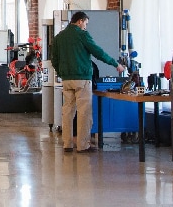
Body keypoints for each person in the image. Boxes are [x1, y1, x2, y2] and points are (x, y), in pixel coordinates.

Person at [51, 11, 125, 153]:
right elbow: (98, 52)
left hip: (66, 80)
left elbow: (54, 59)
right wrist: (115, 64)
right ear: (80, 21)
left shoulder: (59, 37)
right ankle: (83, 145)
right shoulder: (82, 35)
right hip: (82, 79)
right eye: (85, 23)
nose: (85, 26)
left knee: (67, 111)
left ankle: (67, 144)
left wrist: (62, 73)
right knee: (84, 112)